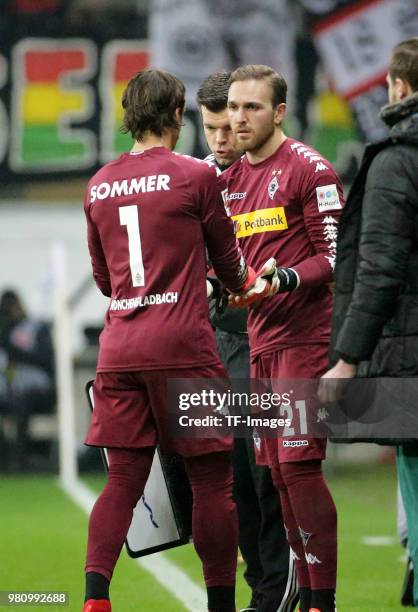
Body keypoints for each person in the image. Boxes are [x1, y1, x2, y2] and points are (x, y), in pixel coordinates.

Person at [81, 68, 261, 612]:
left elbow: (106, 281)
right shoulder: (193, 177)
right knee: (212, 485)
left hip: (121, 348)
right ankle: (221, 604)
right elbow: (230, 267)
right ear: (177, 116)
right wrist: (244, 285)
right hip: (185, 346)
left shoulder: (97, 185)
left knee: (123, 482)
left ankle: (95, 597)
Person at [223, 65, 344, 612]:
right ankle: (306, 595)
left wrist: (286, 277)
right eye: (233, 107)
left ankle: (325, 600)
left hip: (305, 338)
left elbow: (336, 258)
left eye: (251, 107)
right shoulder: (228, 184)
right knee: (276, 474)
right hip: (261, 342)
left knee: (298, 467)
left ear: (278, 112)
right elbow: (230, 263)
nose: (238, 118)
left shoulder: (309, 170)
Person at [321, 38, 418, 608]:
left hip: (409, 359)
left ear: (399, 87)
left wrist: (347, 357)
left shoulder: (395, 159)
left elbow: (379, 268)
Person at [197, 71, 297, 612]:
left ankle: (274, 590)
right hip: (216, 346)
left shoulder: (282, 176)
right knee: (231, 480)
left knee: (265, 478)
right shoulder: (200, 182)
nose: (219, 139)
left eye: (227, 127)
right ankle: (261, 585)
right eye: (209, 128)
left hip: (267, 341)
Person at [0, 289, 55, 470]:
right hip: (11, 389)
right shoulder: (5, 331)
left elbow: (46, 359)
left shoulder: (36, 328)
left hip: (38, 389)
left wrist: (14, 350)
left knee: (21, 402)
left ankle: (21, 458)